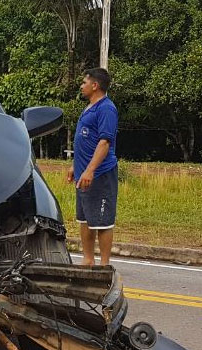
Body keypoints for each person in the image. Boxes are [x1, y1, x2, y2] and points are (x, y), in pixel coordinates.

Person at [66, 67, 119, 266]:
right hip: (82, 173)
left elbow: (104, 142)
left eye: (84, 82)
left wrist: (90, 170)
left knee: (102, 220)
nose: (81, 86)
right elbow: (84, 140)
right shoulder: (90, 107)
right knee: (85, 218)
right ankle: (88, 260)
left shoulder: (106, 108)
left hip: (100, 173)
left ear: (95, 85)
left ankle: (104, 265)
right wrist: (75, 166)